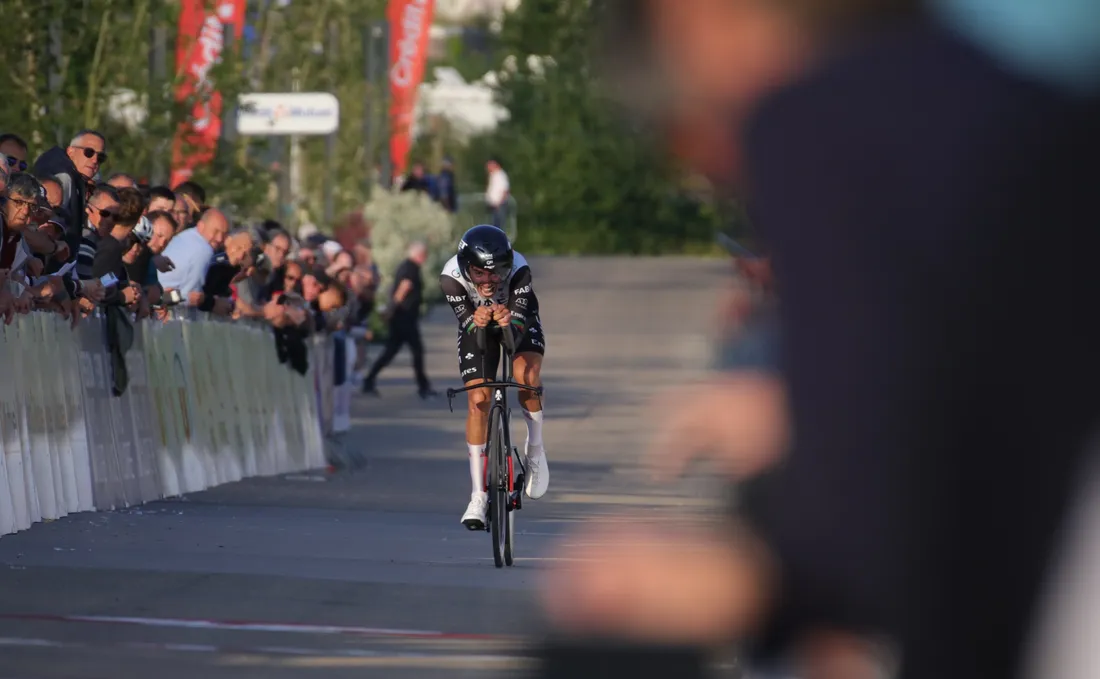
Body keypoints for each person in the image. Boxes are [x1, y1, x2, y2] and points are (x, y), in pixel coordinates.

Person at [439, 225, 549, 529]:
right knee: (478, 400)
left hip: (518, 319)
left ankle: (535, 451)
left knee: (525, 377)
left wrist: (507, 320)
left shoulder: (519, 271)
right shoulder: (451, 279)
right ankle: (478, 496)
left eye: (496, 272)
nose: (488, 280)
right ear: (465, 268)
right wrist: (476, 322)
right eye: (480, 273)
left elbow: (514, 339)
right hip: (478, 326)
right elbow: (473, 337)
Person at [360, 242, 437, 400]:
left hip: (403, 317)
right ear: (419, 254)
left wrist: (390, 308)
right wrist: (391, 308)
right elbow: (403, 288)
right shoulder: (410, 267)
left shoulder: (406, 266)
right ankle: (423, 387)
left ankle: (369, 380)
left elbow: (395, 288)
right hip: (404, 317)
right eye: (424, 255)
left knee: (391, 351)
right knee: (416, 351)